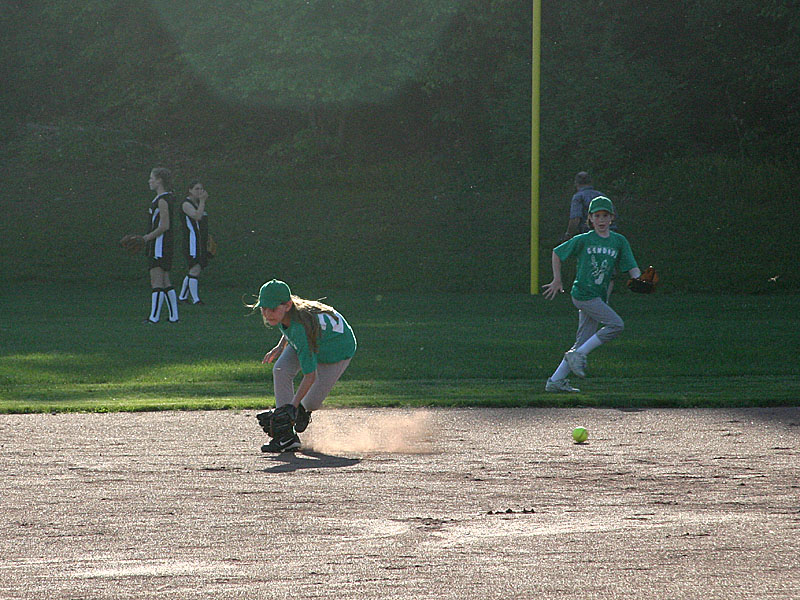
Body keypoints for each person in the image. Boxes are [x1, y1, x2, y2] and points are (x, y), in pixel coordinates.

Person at [542, 196, 641, 392]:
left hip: (599, 295)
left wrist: (639, 279)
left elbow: (631, 266)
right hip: (583, 293)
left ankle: (555, 381)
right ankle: (578, 355)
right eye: (597, 216)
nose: (602, 220)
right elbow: (557, 252)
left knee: (582, 342)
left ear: (612, 218)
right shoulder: (584, 239)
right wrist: (557, 279)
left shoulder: (618, 241)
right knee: (616, 324)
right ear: (591, 219)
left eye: (606, 215)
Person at [251, 279, 357, 452]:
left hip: (337, 349)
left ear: (287, 305)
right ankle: (286, 437)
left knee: (310, 403)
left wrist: (293, 406)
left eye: (273, 308)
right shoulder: (288, 313)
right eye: (264, 308)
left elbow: (310, 375)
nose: (267, 313)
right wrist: (280, 347)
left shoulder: (301, 328)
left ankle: (299, 414)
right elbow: (290, 327)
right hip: (313, 339)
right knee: (281, 369)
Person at [142, 167, 179, 324]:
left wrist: (146, 238)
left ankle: (154, 318)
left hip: (160, 244)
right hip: (162, 244)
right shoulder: (164, 198)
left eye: (152, 178)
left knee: (156, 280)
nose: (150, 181)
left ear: (160, 181)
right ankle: (174, 317)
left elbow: (164, 225)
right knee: (165, 280)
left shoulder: (162, 200)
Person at [178, 180, 210, 305]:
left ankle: (182, 297)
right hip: (192, 241)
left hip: (200, 241)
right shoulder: (186, 204)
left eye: (201, 189)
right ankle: (195, 299)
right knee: (195, 268)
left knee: (196, 268)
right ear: (190, 190)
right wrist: (202, 201)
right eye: (196, 189)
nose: (200, 191)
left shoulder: (199, 204)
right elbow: (197, 216)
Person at [562, 171, 605, 241]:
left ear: (576, 183)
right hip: (606, 233)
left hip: (588, 236)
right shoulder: (601, 195)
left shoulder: (578, 197)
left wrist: (568, 235)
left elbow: (575, 219)